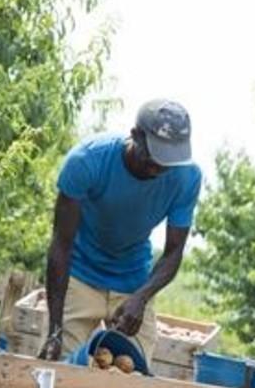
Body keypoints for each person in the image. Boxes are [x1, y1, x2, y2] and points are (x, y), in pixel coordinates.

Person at [38, 99, 201, 363]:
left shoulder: (186, 178)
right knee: (59, 371)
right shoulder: (86, 162)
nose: (159, 168)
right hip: (79, 274)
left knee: (133, 373)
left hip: (133, 279)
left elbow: (173, 253)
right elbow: (61, 245)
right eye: (155, 156)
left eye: (168, 161)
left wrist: (141, 297)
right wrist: (55, 329)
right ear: (136, 135)